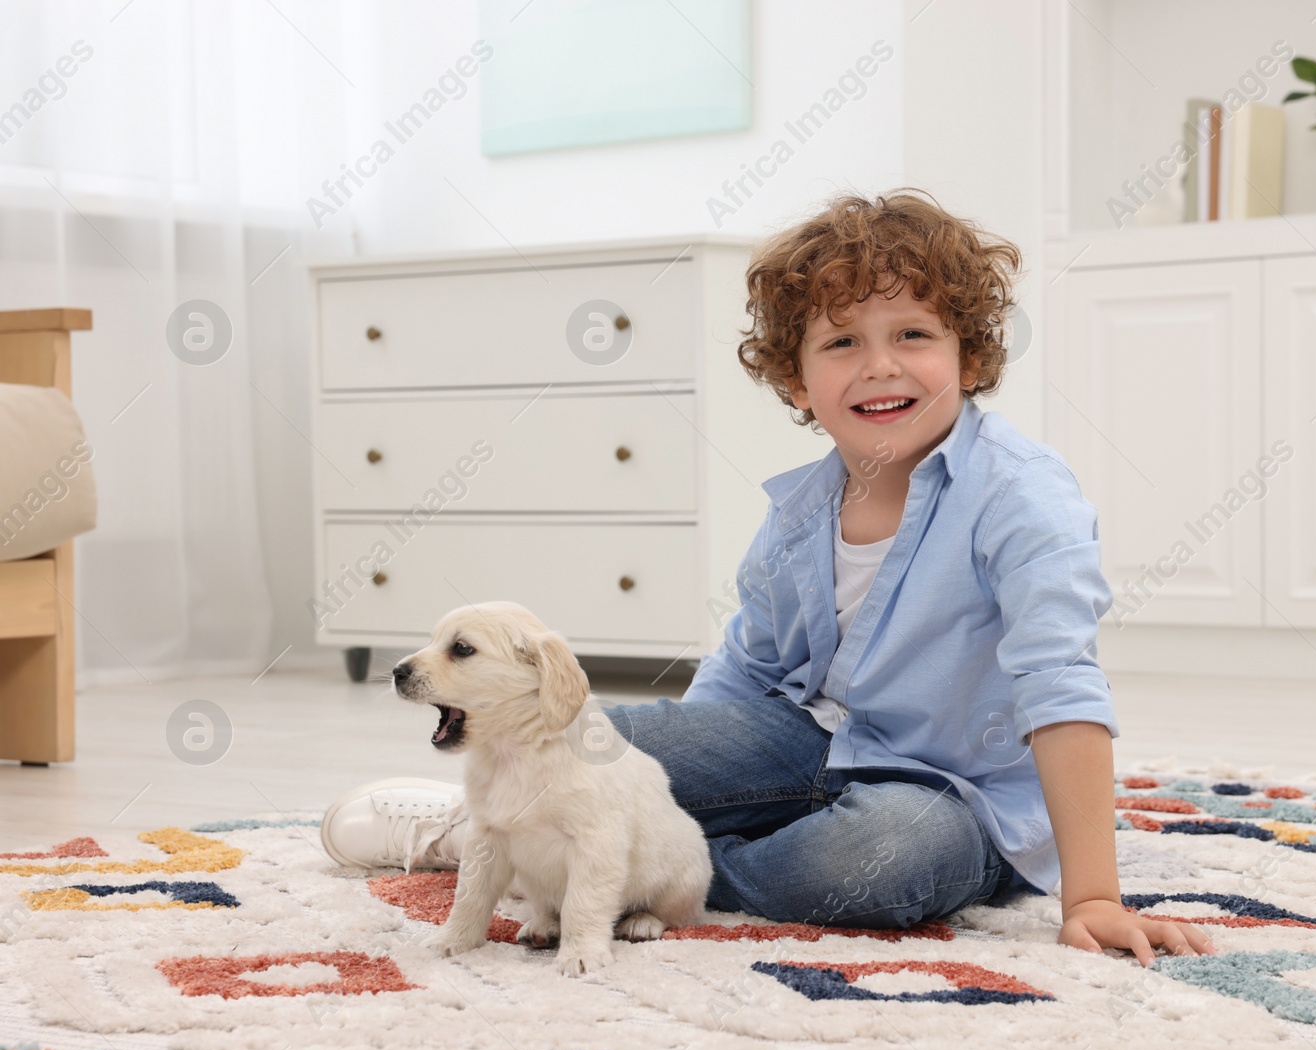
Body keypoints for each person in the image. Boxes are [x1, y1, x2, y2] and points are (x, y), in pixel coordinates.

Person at [321, 188, 1214, 965]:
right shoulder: (799, 512)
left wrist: (1092, 896)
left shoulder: (1023, 498)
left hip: (950, 795)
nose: (880, 365)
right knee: (604, 736)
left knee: (876, 858)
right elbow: (741, 677)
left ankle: (653, 864)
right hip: (800, 739)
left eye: (914, 334)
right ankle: (489, 832)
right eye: (841, 344)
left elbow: (1061, 686)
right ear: (795, 380)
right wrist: (673, 762)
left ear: (971, 358)